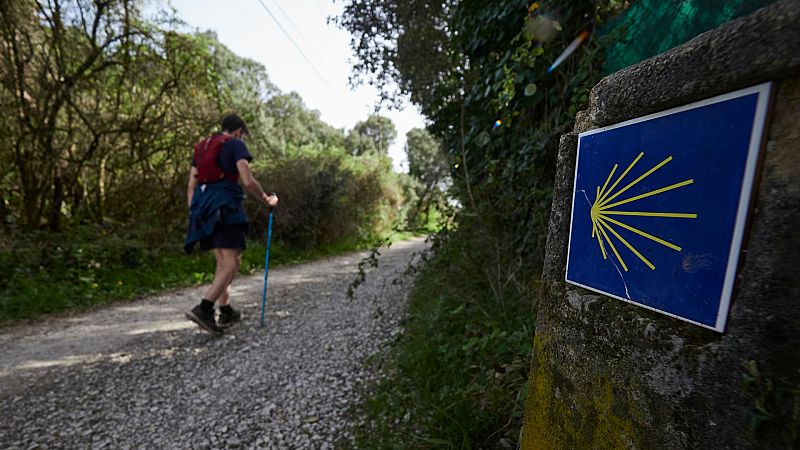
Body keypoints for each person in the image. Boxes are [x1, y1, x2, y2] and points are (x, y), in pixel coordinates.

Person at [183, 114, 278, 334]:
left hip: (202, 207)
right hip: (226, 207)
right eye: (243, 136)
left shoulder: (201, 147)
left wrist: (195, 212)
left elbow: (191, 185)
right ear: (238, 132)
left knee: (223, 262)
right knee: (231, 264)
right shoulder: (235, 145)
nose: (242, 140)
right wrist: (266, 199)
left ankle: (225, 310)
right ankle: (204, 308)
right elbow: (247, 180)